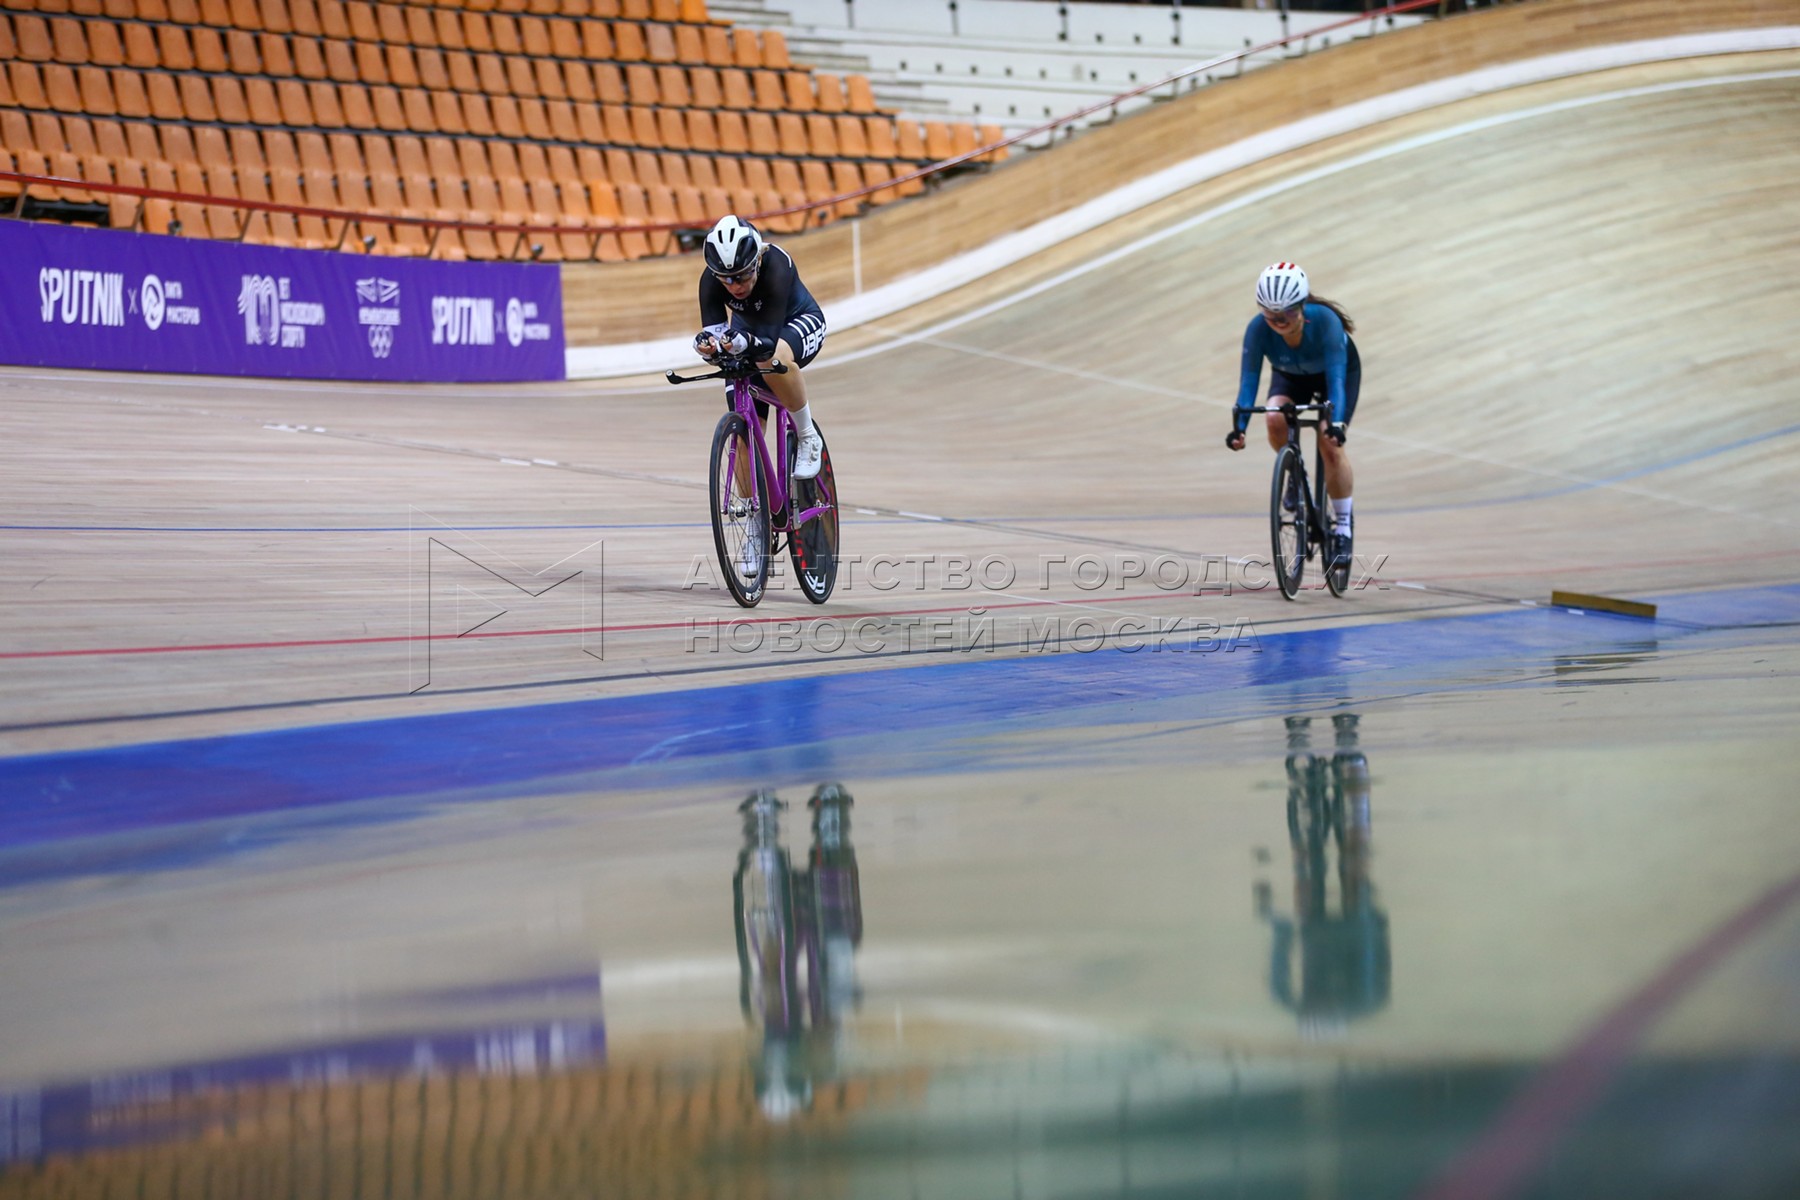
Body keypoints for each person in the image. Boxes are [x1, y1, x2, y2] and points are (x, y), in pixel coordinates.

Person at [1224, 262, 1360, 566]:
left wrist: (1335, 425)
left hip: (1334, 377)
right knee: (1273, 416)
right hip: (1291, 376)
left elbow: (1336, 381)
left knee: (1330, 444)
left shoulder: (1326, 322)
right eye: (1270, 316)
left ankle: (1342, 527)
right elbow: (1249, 382)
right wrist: (1240, 426)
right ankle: (1295, 476)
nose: (1277, 321)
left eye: (1285, 314)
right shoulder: (1257, 329)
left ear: (1302, 307)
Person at [692, 215, 826, 480]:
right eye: (726, 279)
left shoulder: (777, 264)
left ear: (758, 260)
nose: (735, 286)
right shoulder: (709, 281)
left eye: (742, 276)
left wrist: (741, 344)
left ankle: (807, 435)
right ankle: (754, 518)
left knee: (773, 359)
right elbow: (720, 344)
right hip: (752, 334)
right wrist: (711, 350)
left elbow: (766, 347)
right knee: (743, 435)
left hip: (797, 321)